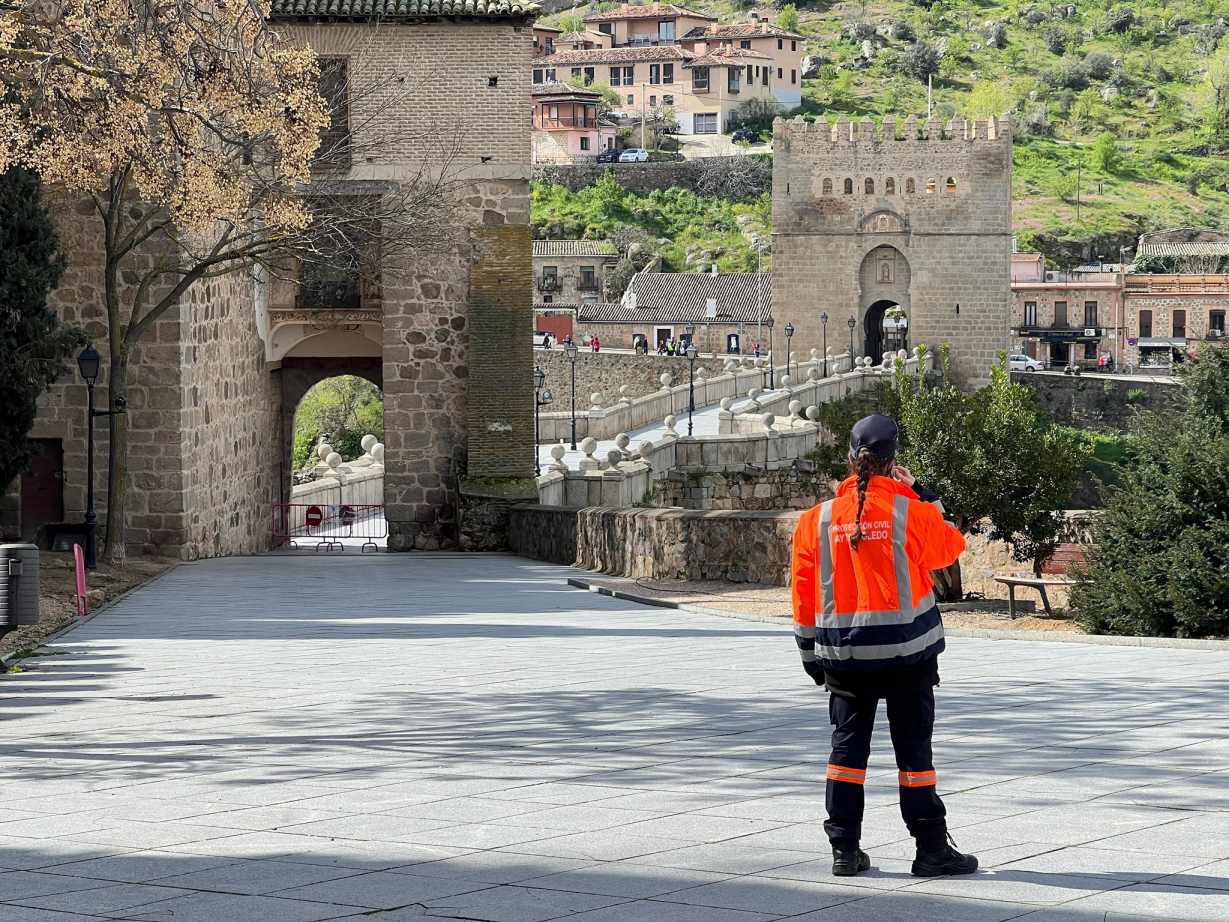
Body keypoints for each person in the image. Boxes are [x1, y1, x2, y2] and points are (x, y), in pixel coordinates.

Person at [791, 414, 978, 879]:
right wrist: (920, 492)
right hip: (907, 656)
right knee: (914, 756)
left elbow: (803, 593)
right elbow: (950, 546)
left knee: (846, 755)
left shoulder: (815, 521)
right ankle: (931, 849)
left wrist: (811, 657)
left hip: (844, 658)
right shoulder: (909, 512)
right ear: (894, 463)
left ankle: (844, 850)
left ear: (850, 461)